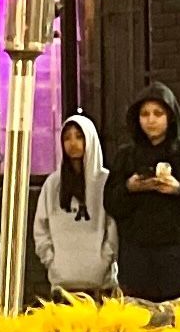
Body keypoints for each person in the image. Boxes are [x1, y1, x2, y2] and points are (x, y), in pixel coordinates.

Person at [103, 84, 180, 302]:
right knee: (138, 322)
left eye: (158, 113)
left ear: (171, 116)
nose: (151, 120)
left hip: (179, 252)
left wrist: (179, 189)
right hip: (137, 254)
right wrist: (130, 188)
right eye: (145, 114)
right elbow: (110, 202)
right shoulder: (126, 156)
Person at [29, 111, 118, 299]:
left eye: (79, 137)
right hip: (62, 283)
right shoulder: (53, 183)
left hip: (100, 283)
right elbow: (40, 227)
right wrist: (51, 261)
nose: (73, 143)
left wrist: (106, 259)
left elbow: (113, 225)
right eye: (67, 138)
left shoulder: (106, 181)